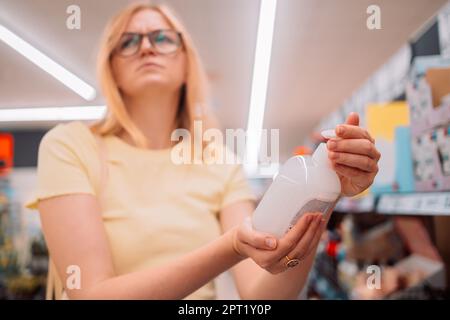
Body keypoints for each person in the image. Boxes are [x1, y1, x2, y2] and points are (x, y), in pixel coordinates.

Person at [25, 2, 380, 300]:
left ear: (185, 64)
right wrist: (231, 247)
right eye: (128, 41)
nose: (146, 47)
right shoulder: (70, 146)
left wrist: (326, 191)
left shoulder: (217, 161)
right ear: (112, 67)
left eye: (162, 38)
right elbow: (91, 294)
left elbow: (263, 292)